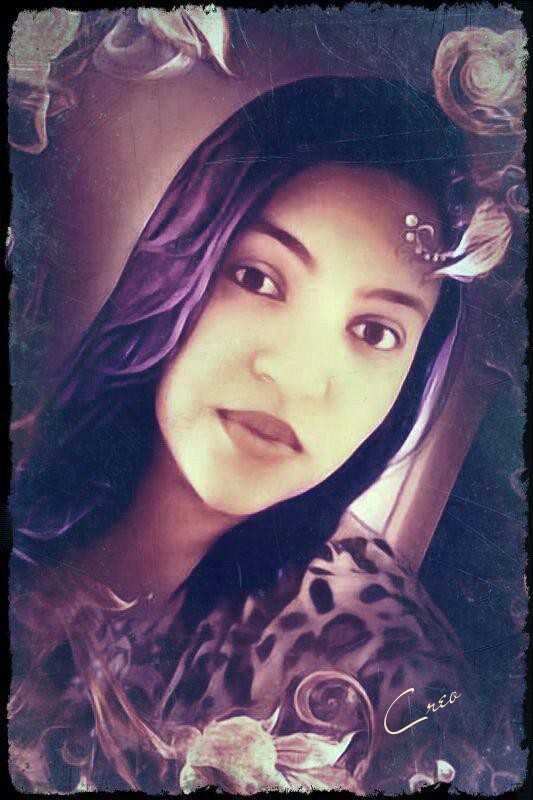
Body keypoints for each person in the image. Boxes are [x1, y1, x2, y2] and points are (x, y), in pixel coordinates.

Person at [8, 74, 518, 794]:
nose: (296, 377)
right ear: (180, 262)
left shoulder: (377, 681)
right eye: (257, 278)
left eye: (374, 331)